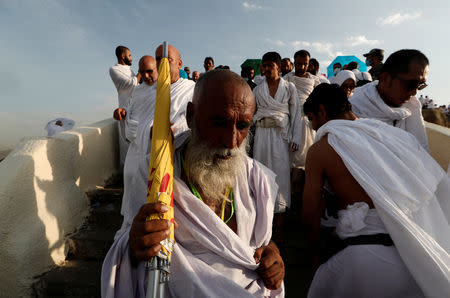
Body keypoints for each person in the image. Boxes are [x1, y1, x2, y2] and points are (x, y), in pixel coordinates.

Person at [102, 70, 285, 297]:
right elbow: (128, 241)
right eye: (220, 122)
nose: (231, 141)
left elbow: (261, 245)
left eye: (243, 126)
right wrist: (136, 243)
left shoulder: (257, 178)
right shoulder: (156, 172)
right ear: (191, 116)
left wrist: (272, 253)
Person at [302, 83, 450, 297]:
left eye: (312, 119)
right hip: (415, 253)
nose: (314, 127)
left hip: (360, 259)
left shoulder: (320, 150)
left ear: (322, 112)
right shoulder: (395, 136)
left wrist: (316, 260)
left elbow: (310, 216)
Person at [252, 52, 301, 235]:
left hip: (281, 137)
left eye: (269, 66)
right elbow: (252, 113)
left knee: (280, 176)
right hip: (262, 135)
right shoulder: (257, 90)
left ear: (279, 68)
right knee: (261, 174)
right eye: (263, 66)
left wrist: (296, 138)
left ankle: (279, 224)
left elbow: (296, 114)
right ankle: (263, 223)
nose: (265, 69)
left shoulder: (289, 88)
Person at [350, 49, 429, 151]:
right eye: (411, 84)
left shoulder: (412, 107)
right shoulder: (354, 106)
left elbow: (421, 154)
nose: (414, 93)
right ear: (385, 78)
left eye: (419, 85)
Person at [284, 50, 319, 168]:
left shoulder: (315, 80)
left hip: (309, 122)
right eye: (299, 64)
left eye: (306, 64)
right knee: (291, 158)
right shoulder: (286, 80)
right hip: (291, 122)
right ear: (294, 63)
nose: (302, 67)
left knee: (309, 156)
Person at [109, 45, 141, 165]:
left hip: (136, 109)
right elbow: (131, 83)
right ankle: (125, 175)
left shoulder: (130, 70)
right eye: (130, 55)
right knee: (125, 143)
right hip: (123, 110)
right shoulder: (114, 69)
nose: (131, 58)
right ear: (123, 56)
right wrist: (140, 72)